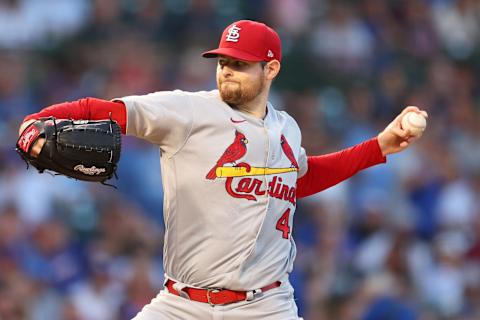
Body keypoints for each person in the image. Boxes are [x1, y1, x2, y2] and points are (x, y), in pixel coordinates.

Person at [19, 20, 427, 320]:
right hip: (181, 304)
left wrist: (378, 147)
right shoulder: (189, 111)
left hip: (266, 306)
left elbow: (298, 180)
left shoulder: (287, 127)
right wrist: (37, 120)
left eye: (240, 63)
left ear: (271, 69)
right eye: (223, 61)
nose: (226, 69)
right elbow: (104, 110)